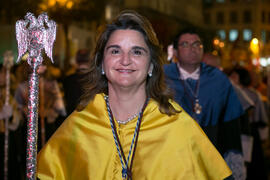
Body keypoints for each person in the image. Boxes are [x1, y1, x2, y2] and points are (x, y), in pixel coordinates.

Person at [37, 10, 232, 179]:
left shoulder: (176, 124)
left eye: (137, 52)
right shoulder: (79, 125)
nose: (125, 60)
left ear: (151, 65)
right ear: (102, 63)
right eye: (115, 51)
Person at [164, 28, 245, 179]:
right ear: (175, 51)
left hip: (212, 145)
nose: (193, 49)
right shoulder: (162, 77)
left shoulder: (218, 78)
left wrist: (234, 158)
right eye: (185, 44)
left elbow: (231, 120)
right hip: (172, 149)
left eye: (197, 44)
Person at [62, 49, 91, 117]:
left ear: (76, 61)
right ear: (90, 60)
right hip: (89, 119)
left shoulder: (68, 79)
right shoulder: (95, 79)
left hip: (72, 118)